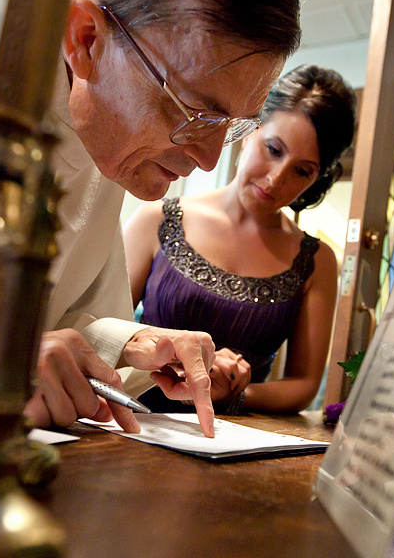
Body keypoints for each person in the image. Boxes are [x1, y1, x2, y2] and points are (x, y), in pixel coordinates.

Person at [0, 0, 301, 437]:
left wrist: (131, 341)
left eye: (232, 125)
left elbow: (63, 317)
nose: (206, 159)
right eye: (196, 114)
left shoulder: (112, 138)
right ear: (86, 39)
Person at [123, 64, 356, 413]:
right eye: (274, 150)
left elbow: (304, 384)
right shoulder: (157, 217)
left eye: (302, 170)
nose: (276, 179)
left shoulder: (317, 260)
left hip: (236, 442)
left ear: (316, 179)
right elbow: (103, 332)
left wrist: (235, 395)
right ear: (249, 129)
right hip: (135, 419)